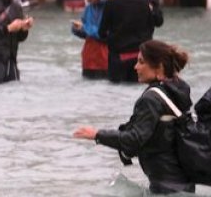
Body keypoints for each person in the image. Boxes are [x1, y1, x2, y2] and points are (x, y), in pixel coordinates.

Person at [73, 40, 195, 194]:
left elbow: (135, 139)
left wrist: (97, 135)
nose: (135, 67)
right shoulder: (177, 90)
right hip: (183, 182)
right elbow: (160, 137)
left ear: (159, 67)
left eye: (141, 62)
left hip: (165, 187)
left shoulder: (151, 99)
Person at [98, 0, 155, 83]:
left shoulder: (111, 3)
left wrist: (111, 40)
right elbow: (150, 29)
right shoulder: (144, 2)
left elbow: (102, 32)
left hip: (118, 58)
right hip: (140, 58)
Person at [71, 0, 108, 79]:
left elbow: (105, 33)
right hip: (88, 58)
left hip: (104, 57)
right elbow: (85, 31)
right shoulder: (88, 8)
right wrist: (77, 29)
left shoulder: (110, 6)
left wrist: (84, 28)